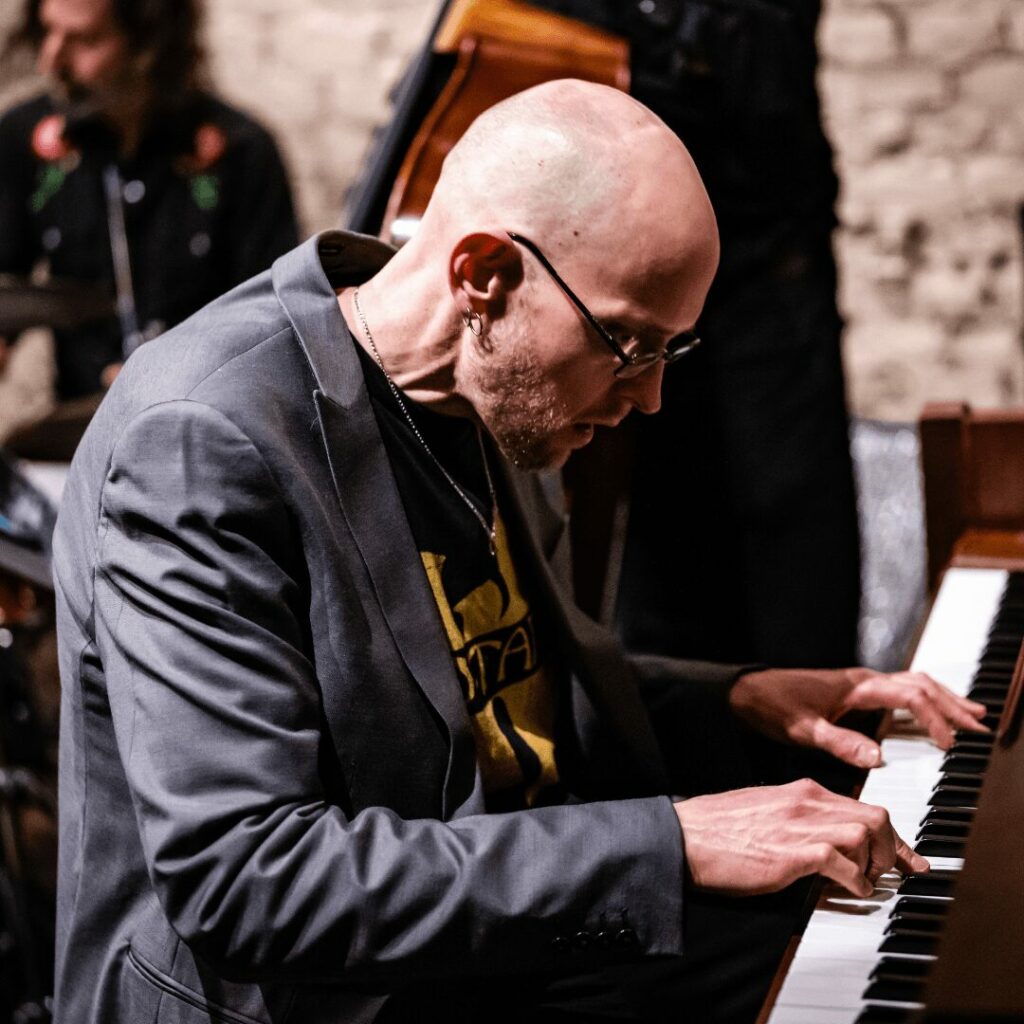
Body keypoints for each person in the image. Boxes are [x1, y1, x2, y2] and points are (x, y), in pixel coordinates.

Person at [52, 81, 984, 1024]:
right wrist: (673, 844)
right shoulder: (203, 438)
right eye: (628, 344)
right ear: (484, 275)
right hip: (315, 999)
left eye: (669, 351)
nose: (650, 398)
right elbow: (247, 881)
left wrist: (738, 700)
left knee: (924, 951)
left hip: (474, 942)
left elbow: (487, 688)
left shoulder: (483, 381)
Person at [0, 0, 298, 401]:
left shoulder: (241, 152)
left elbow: (273, 329)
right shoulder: (26, 139)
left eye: (86, 40)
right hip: (81, 427)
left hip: (207, 420)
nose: (50, 61)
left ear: (148, 46)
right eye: (47, 31)